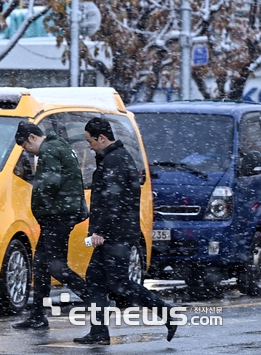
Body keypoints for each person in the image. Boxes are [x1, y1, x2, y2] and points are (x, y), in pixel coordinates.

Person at [74, 117, 177, 345]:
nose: (89, 145)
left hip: (115, 233)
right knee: (96, 279)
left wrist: (99, 231)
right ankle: (99, 332)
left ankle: (166, 312)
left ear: (102, 138)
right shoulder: (114, 158)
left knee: (119, 283)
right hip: (116, 231)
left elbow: (112, 200)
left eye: (90, 140)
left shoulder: (115, 161)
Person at [12, 122, 90, 330]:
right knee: (41, 266)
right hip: (57, 216)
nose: (26, 150)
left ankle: (96, 300)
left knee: (56, 266)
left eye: (24, 146)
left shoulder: (50, 151)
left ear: (31, 137)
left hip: (58, 217)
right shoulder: (59, 146)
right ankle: (38, 315)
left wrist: (42, 201)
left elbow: (50, 182)